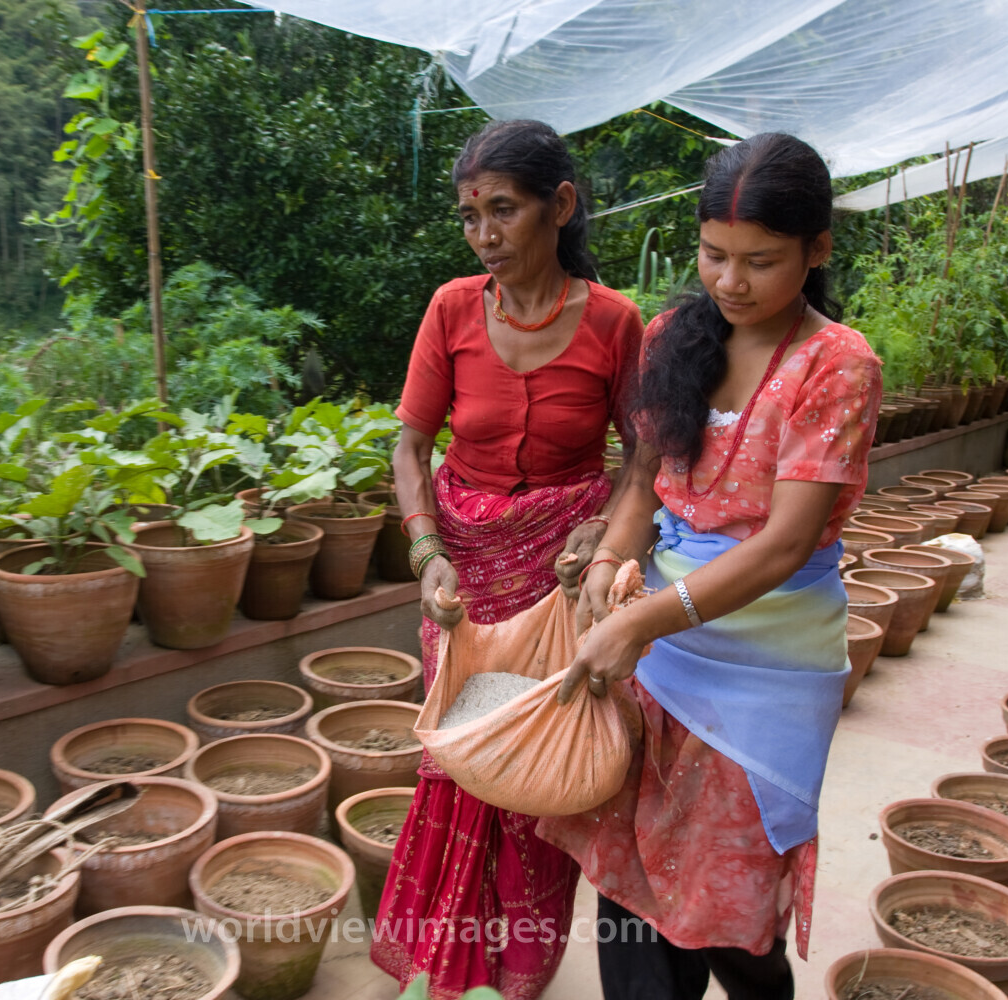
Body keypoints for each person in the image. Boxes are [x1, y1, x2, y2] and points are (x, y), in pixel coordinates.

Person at [537, 132, 883, 999]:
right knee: (639, 869)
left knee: (725, 890)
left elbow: (785, 543)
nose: (730, 282)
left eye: (761, 262)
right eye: (714, 255)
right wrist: (611, 560)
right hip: (661, 646)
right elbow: (646, 482)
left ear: (818, 249)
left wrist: (644, 617)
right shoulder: (673, 338)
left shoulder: (836, 365)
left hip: (767, 667)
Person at [374, 119, 646, 1000]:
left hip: (559, 588)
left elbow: (642, 460)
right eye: (469, 216)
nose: (485, 235)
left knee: (538, 773)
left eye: (504, 211)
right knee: (460, 760)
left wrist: (600, 534)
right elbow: (411, 447)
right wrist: (426, 553)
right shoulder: (452, 308)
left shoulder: (614, 323)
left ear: (559, 207)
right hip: (461, 581)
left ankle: (518, 973)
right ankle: (449, 971)